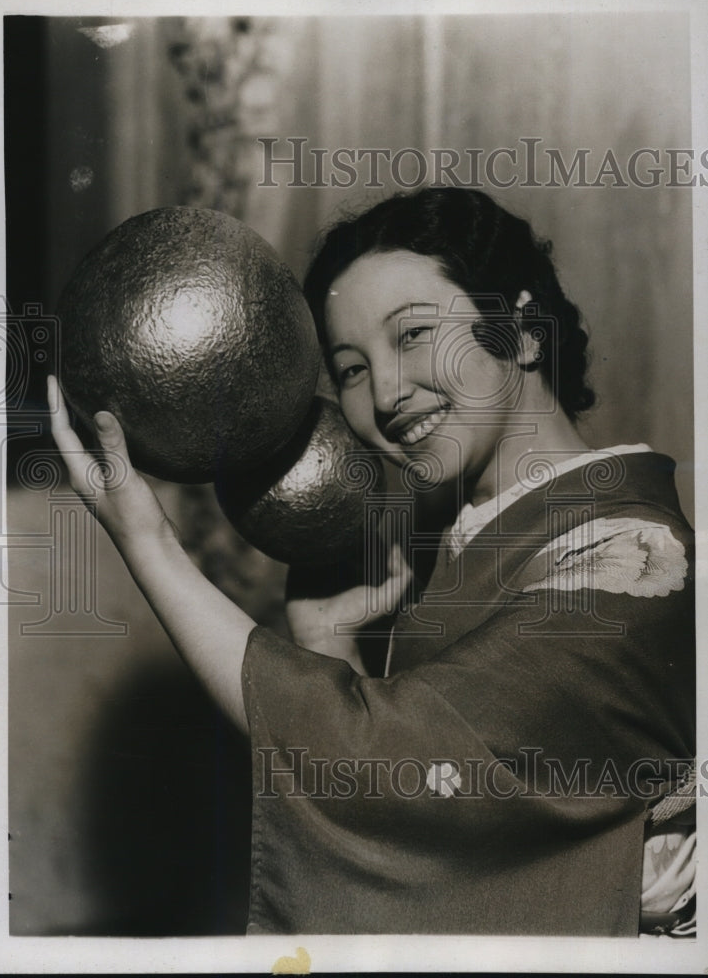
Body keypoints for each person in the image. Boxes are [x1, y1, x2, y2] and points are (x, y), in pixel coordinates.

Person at [48, 187, 695, 937]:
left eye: (413, 334)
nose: (385, 393)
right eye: (350, 369)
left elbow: (391, 759)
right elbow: (425, 815)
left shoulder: (631, 561)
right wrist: (328, 643)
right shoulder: (473, 545)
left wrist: (148, 542)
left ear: (521, 331)